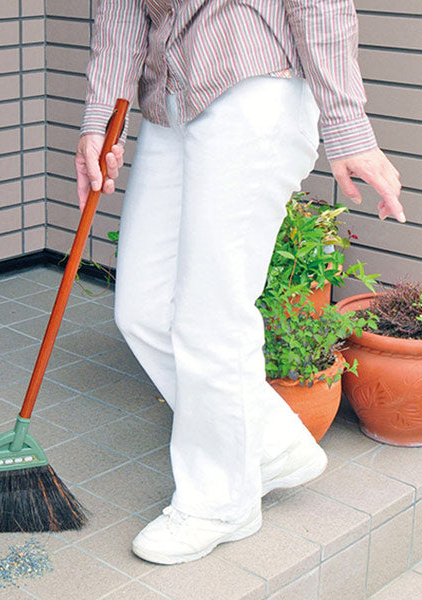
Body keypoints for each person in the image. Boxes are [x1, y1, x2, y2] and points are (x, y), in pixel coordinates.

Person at [74, 0, 404, 565]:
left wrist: (348, 129)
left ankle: (221, 503)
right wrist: (100, 120)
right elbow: (120, 9)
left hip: (255, 90)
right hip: (170, 99)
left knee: (212, 316)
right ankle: (272, 446)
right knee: (143, 310)